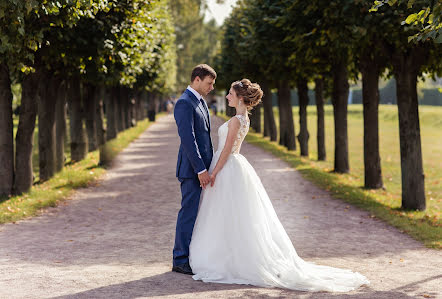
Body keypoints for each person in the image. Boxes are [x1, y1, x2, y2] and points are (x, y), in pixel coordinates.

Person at [188, 79, 370, 292]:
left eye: (230, 93)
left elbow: (227, 149)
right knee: (233, 215)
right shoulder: (243, 118)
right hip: (234, 166)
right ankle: (230, 253)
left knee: (226, 214)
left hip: (227, 166)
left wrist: (213, 173)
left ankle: (226, 258)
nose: (227, 96)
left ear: (239, 97)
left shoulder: (237, 120)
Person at [172, 64, 216, 275]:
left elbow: (206, 139)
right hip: (192, 171)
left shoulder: (201, 102)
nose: (212, 87)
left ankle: (194, 256)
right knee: (188, 214)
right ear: (197, 79)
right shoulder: (184, 103)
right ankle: (180, 260)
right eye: (209, 83)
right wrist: (200, 169)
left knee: (202, 214)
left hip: (205, 169)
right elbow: (188, 140)